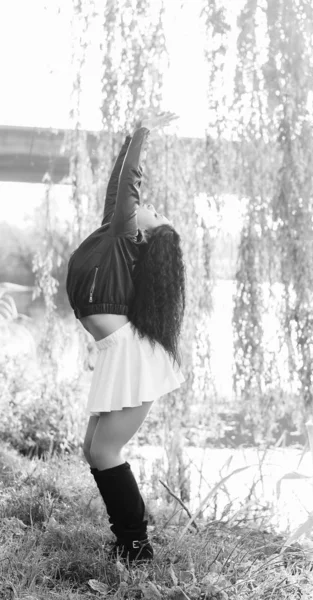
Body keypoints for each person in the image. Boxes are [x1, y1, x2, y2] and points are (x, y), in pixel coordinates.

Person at [66, 112, 186, 564]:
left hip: (134, 357)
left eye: (156, 213)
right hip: (119, 352)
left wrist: (143, 133)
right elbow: (119, 190)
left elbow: (127, 195)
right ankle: (128, 540)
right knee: (93, 450)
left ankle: (136, 545)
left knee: (104, 449)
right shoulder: (112, 237)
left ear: (146, 233)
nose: (149, 205)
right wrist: (127, 142)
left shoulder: (126, 236)